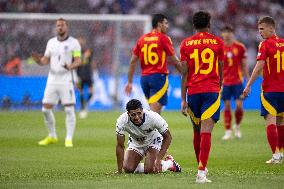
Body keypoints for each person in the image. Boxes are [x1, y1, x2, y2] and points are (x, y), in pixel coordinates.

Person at [180, 11, 224, 183]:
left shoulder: (186, 44)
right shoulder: (218, 42)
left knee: (196, 131)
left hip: (194, 92)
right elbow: (220, 67)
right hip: (211, 90)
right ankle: (201, 172)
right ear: (209, 24)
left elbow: (185, 73)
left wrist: (183, 99)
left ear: (193, 25)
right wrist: (218, 85)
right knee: (206, 131)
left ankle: (201, 167)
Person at [32, 18, 82, 147]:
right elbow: (45, 60)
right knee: (45, 109)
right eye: (58, 25)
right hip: (52, 78)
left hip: (66, 78)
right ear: (56, 28)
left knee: (69, 110)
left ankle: (68, 139)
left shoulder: (74, 43)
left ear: (67, 27)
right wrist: (38, 61)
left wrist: (70, 66)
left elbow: (78, 60)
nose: (60, 27)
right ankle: (52, 136)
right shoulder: (51, 43)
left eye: (62, 25)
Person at [243, 16, 284, 164]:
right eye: (259, 29)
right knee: (280, 122)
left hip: (270, 89)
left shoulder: (265, 44)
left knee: (270, 122)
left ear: (271, 28)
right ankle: (280, 153)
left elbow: (259, 65)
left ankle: (276, 155)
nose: (260, 32)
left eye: (262, 29)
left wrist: (248, 85)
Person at [124, 13, 184, 114]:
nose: (167, 26)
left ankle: (152, 129)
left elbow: (132, 61)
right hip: (158, 77)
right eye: (165, 23)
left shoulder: (142, 39)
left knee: (155, 113)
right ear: (159, 24)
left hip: (144, 79)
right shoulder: (164, 38)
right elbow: (174, 60)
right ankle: (144, 128)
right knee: (154, 115)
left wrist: (129, 82)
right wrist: (184, 73)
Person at [116, 99, 181, 174]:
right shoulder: (122, 121)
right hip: (136, 143)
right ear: (128, 114)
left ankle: (170, 163)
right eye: (133, 115)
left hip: (153, 141)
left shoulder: (153, 117)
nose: (137, 117)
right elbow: (120, 146)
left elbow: (168, 137)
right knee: (128, 169)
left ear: (142, 110)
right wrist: (119, 171)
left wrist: (159, 159)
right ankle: (145, 166)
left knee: (150, 170)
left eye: (139, 113)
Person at [220, 25, 250, 140]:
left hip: (238, 81)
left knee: (238, 106)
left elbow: (244, 65)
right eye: (224, 32)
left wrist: (248, 81)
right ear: (222, 34)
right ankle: (228, 131)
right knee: (226, 105)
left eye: (228, 32)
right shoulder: (220, 47)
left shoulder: (240, 47)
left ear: (232, 33)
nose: (226, 34)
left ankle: (237, 126)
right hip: (225, 82)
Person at [76, 36, 95, 119]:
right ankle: (82, 107)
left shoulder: (89, 50)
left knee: (91, 92)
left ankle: (85, 104)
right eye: (79, 41)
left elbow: (90, 60)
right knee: (80, 92)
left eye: (81, 41)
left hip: (88, 74)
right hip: (79, 74)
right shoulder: (76, 51)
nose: (80, 42)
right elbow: (77, 61)